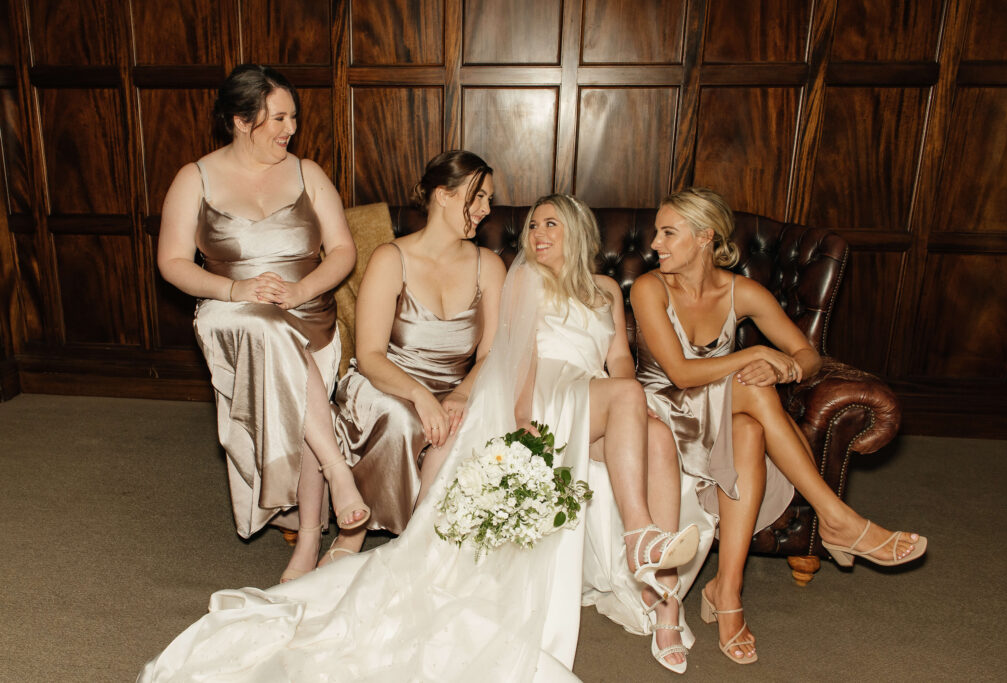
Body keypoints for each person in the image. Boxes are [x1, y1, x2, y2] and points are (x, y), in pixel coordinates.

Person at [138, 193, 699, 682]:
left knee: (655, 435)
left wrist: (635, 405)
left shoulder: (605, 290)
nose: (537, 234)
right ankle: (638, 539)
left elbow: (620, 362)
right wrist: (524, 416)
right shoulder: (524, 278)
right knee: (629, 402)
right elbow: (511, 357)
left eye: (550, 224)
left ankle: (663, 596)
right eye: (532, 225)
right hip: (546, 398)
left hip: (595, 398)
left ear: (577, 231)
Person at [630, 187, 927, 665]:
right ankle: (836, 518)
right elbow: (682, 375)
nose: (655, 244)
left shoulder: (741, 292)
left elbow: (809, 355)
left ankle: (726, 593)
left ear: (705, 237)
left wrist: (785, 368)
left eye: (669, 232)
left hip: (720, 417)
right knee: (752, 386)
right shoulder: (650, 288)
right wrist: (757, 356)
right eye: (656, 233)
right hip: (661, 414)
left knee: (750, 425)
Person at [156, 64, 368, 584]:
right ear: (239, 120)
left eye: (292, 117)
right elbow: (173, 263)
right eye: (277, 118)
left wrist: (301, 290)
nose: (289, 128)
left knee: (296, 369)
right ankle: (339, 476)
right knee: (270, 330)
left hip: (308, 311)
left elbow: (343, 251)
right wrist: (236, 290)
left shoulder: (308, 173)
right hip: (232, 315)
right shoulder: (195, 178)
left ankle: (309, 538)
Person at [326, 150, 506, 562]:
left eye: (489, 200)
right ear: (442, 195)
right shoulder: (392, 259)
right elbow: (369, 355)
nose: (486, 209)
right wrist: (420, 396)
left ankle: (424, 544)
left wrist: (461, 394)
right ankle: (353, 534)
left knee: (470, 426)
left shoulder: (489, 266)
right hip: (386, 380)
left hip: (459, 385)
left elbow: (492, 352)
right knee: (404, 421)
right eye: (477, 197)